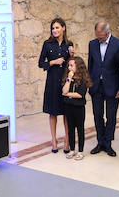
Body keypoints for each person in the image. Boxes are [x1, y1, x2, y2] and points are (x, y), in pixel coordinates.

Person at [87, 22, 119, 156]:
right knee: (97, 114)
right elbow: (90, 65)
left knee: (111, 116)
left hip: (112, 86)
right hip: (96, 85)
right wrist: (88, 83)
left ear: (108, 33)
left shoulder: (118, 44)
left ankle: (108, 143)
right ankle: (100, 142)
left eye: (102, 37)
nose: (99, 39)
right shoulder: (92, 44)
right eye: (98, 37)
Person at [38, 18, 74, 153]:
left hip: (65, 81)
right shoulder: (47, 44)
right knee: (53, 112)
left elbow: (72, 64)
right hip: (52, 82)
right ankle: (54, 140)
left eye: (57, 27)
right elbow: (41, 63)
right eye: (53, 28)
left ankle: (67, 140)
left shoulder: (68, 44)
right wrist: (53, 62)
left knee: (66, 112)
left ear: (63, 28)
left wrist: (72, 55)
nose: (55, 30)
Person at [61, 56, 91, 160]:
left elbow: (80, 94)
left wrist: (68, 94)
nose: (69, 67)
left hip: (79, 107)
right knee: (70, 129)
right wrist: (68, 79)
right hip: (68, 107)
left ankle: (81, 151)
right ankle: (72, 149)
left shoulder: (83, 79)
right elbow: (64, 91)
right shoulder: (68, 78)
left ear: (78, 66)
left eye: (72, 65)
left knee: (80, 129)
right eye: (69, 65)